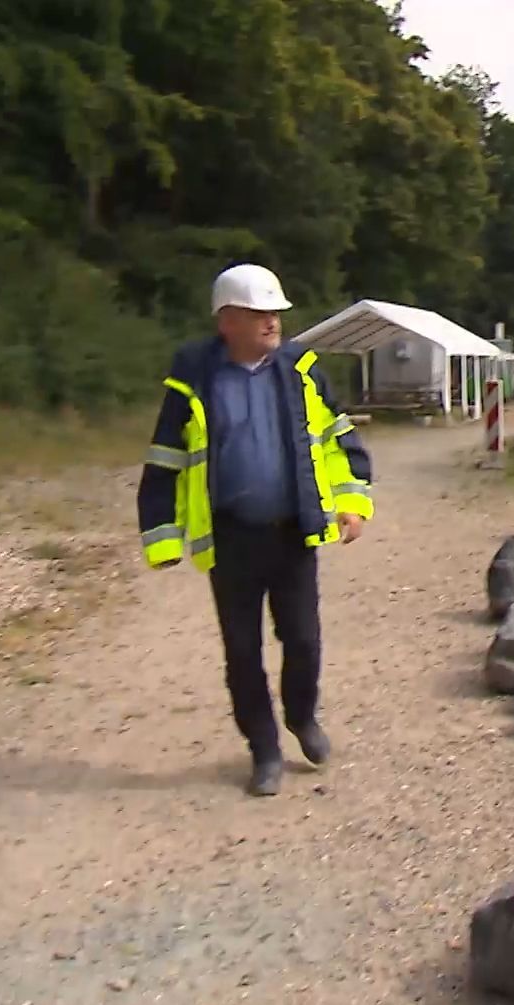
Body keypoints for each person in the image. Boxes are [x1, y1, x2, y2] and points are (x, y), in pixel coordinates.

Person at [136, 263, 374, 796]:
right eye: (259, 313)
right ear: (227, 321)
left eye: (275, 312)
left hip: (293, 533)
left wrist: (352, 503)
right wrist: (162, 538)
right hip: (231, 539)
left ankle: (302, 718)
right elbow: (165, 461)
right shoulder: (193, 380)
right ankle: (264, 751)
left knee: (304, 641)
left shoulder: (302, 372)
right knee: (242, 653)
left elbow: (341, 442)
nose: (272, 322)